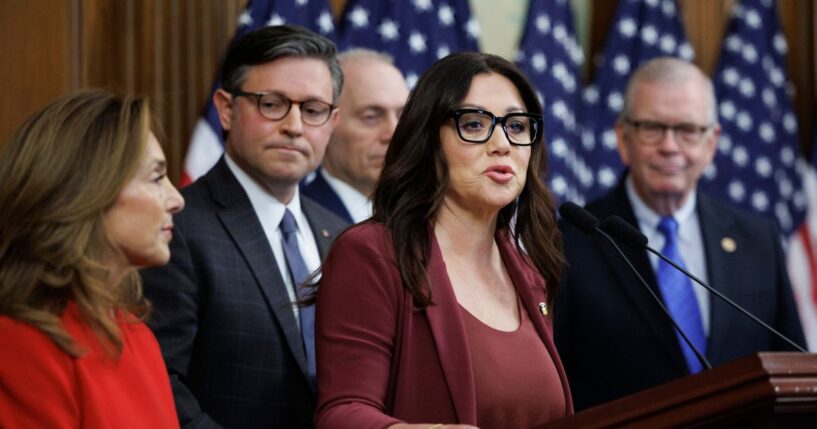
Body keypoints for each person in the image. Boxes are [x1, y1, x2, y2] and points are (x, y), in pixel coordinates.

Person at [314, 52, 573, 428]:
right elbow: (342, 414)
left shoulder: (531, 273)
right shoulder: (373, 254)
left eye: (516, 127)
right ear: (429, 140)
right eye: (474, 123)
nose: (502, 144)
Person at [554, 57, 806, 411]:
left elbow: (793, 368)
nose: (670, 146)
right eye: (652, 128)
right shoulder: (571, 241)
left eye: (687, 129)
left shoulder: (757, 239)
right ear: (622, 137)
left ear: (711, 142)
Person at [139, 25, 348, 429]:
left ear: (332, 121)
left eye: (313, 109)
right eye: (272, 104)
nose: (294, 125)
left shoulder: (341, 235)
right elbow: (163, 383)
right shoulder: (177, 227)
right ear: (226, 109)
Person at [0, 89, 184, 427]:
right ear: (88, 190)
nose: (177, 199)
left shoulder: (137, 335)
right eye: (157, 177)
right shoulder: (21, 341)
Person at [302, 49, 409, 223]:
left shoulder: (425, 218)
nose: (394, 134)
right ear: (327, 123)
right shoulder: (300, 222)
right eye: (371, 117)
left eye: (402, 116)